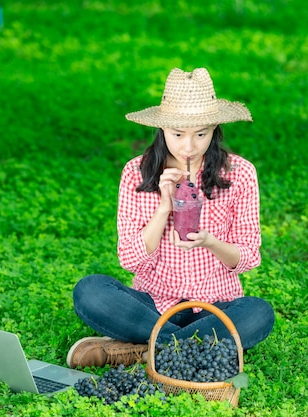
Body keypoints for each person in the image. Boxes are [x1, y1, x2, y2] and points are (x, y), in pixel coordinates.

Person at [67, 68, 275, 368]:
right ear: (162, 129)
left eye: (201, 134)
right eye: (178, 134)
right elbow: (130, 260)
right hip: (151, 303)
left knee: (258, 313)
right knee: (90, 291)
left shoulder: (239, 174)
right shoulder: (135, 173)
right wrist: (163, 208)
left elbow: (247, 257)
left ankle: (144, 349)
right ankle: (185, 348)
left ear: (215, 129)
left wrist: (209, 241)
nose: (189, 146)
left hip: (213, 305)